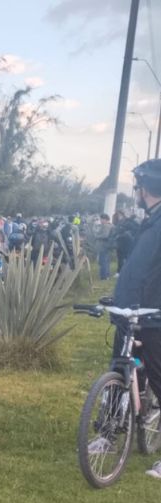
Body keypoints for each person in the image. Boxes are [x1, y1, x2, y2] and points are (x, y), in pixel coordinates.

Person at [107, 161, 161, 477]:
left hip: (154, 316)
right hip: (130, 312)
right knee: (120, 370)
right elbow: (137, 269)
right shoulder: (149, 221)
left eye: (138, 188)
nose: (136, 193)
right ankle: (109, 434)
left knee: (158, 376)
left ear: (145, 188)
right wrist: (118, 301)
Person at [93, 213, 114, 281]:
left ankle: (103, 277)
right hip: (108, 245)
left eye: (101, 219)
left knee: (103, 261)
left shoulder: (105, 226)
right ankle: (107, 275)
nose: (101, 221)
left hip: (103, 246)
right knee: (106, 261)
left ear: (105, 219)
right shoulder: (111, 225)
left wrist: (97, 236)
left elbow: (105, 235)